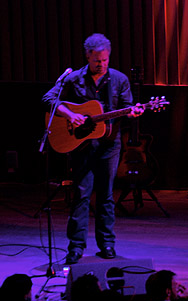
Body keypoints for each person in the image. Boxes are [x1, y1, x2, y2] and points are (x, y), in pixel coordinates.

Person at [43, 33, 144, 264]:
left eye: (106, 60)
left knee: (106, 195)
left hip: (109, 144)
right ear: (88, 57)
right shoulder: (73, 79)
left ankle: (107, 244)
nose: (102, 64)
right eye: (98, 60)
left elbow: (127, 107)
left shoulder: (119, 80)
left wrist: (134, 111)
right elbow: (48, 99)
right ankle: (76, 247)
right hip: (81, 146)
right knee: (81, 194)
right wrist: (70, 114)